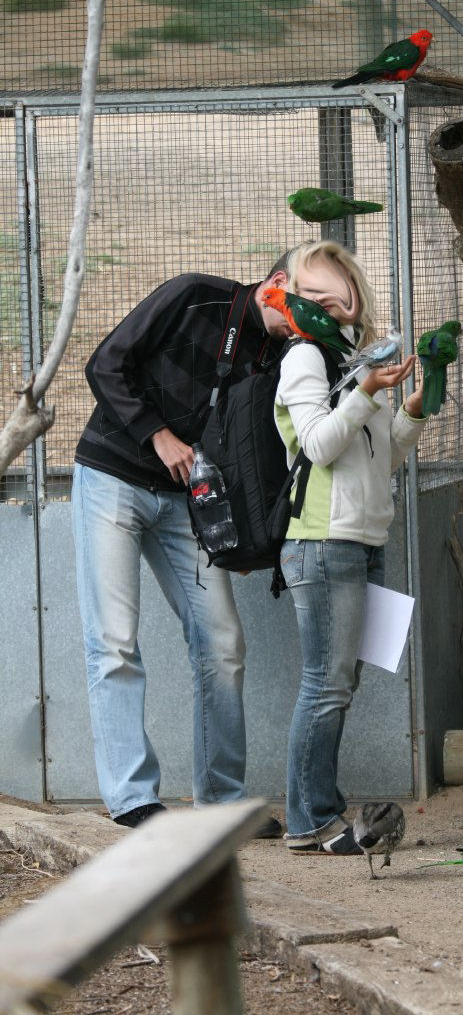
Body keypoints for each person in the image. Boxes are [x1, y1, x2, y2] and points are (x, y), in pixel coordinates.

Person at [71, 242, 365, 831]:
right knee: (114, 641)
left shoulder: (289, 355)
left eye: (337, 315)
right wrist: (158, 436)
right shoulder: (193, 294)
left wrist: (246, 540)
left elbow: (262, 454)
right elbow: (104, 364)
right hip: (112, 474)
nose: (322, 321)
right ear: (277, 283)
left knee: (222, 643)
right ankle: (132, 799)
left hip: (190, 503)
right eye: (317, 304)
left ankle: (222, 803)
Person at [273, 241, 429, 855]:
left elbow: (381, 458)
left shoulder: (356, 356)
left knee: (344, 682)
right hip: (321, 541)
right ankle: (309, 819)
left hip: (365, 539)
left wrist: (409, 414)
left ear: (353, 289)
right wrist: (365, 390)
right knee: (326, 682)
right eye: (308, 293)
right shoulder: (305, 358)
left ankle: (319, 809)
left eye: (332, 287)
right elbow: (315, 445)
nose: (323, 300)